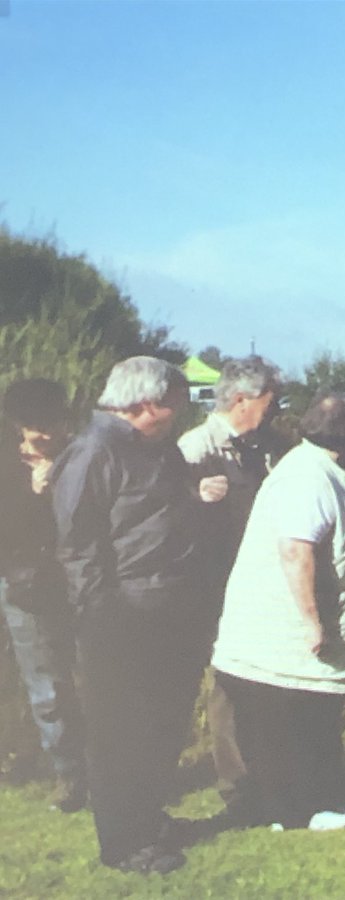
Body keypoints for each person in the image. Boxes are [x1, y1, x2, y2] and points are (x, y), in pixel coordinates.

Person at [50, 357, 206, 874]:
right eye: (175, 407)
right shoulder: (95, 450)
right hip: (121, 619)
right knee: (119, 733)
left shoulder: (154, 450)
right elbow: (78, 544)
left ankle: (149, 820)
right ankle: (122, 842)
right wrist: (103, 618)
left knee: (158, 725)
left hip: (167, 610)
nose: (180, 416)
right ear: (146, 406)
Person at [210, 393, 345, 830]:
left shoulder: (326, 471)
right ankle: (293, 811)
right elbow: (294, 549)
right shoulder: (305, 476)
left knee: (318, 718)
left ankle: (328, 797)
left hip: (312, 630)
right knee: (286, 726)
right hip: (283, 631)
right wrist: (311, 620)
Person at [177, 355, 283, 824]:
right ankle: (234, 787)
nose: (274, 410)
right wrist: (194, 497)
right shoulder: (196, 447)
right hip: (209, 588)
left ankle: (255, 775)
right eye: (269, 402)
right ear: (241, 401)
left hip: (252, 584)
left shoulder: (258, 447)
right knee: (220, 685)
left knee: (248, 682)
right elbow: (158, 512)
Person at [0, 379, 87, 812]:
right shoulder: (7, 465)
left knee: (72, 680)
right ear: (18, 426)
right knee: (42, 685)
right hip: (23, 582)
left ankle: (81, 772)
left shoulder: (79, 456)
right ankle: (59, 770)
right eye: (36, 429)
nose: (46, 436)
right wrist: (33, 494)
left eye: (53, 425)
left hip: (75, 581)